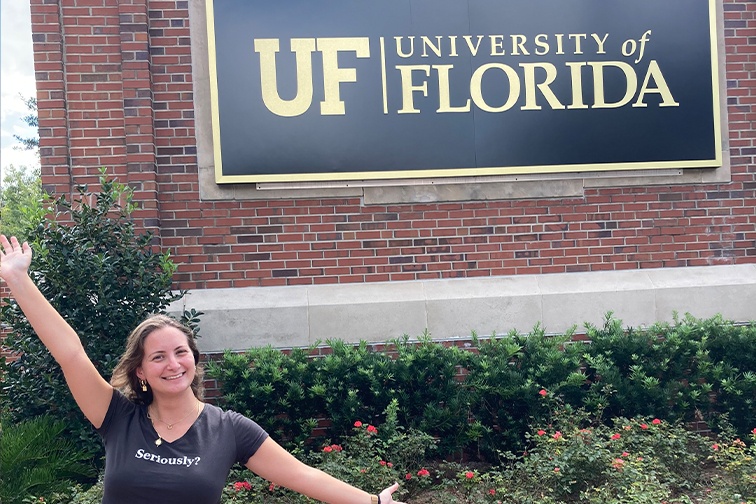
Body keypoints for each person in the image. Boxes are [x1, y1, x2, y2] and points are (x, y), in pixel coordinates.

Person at [0, 235, 406, 504]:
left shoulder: (228, 429)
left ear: (194, 359)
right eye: (157, 357)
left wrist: (372, 502)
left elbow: (303, 476)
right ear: (140, 371)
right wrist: (19, 280)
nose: (173, 364)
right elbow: (71, 354)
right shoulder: (117, 417)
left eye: (180, 352)